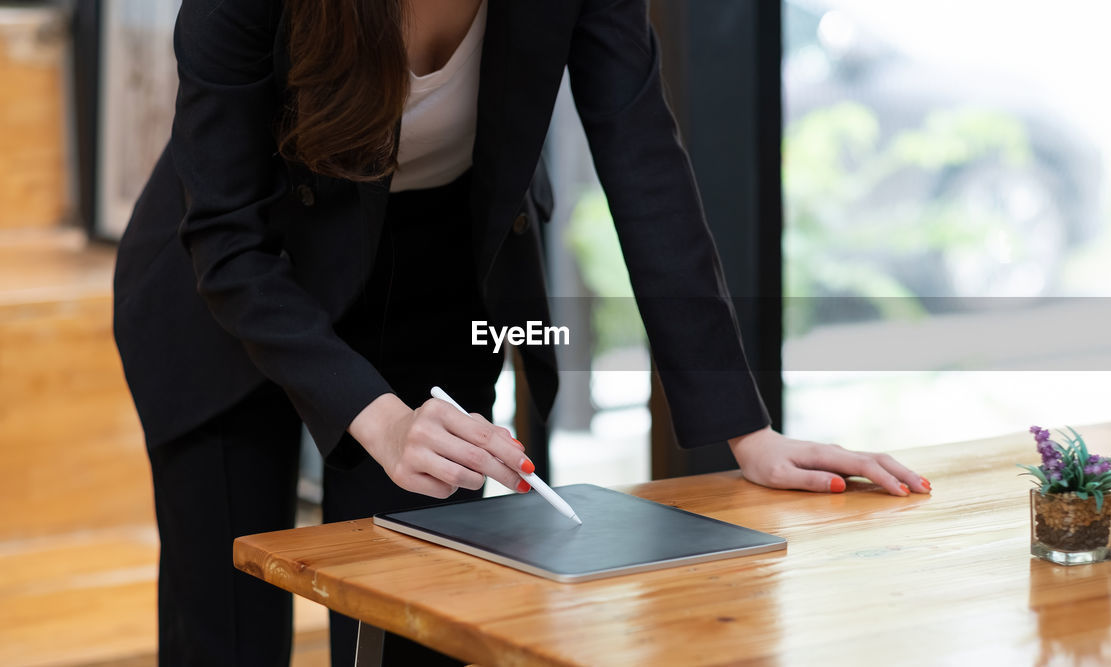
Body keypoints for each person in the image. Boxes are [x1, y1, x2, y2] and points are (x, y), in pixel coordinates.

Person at [112, 0, 930, 664]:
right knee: (226, 637)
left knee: (418, 624)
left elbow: (642, 155)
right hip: (231, 291)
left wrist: (745, 428)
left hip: (434, 273)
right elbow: (222, 235)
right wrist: (381, 416)